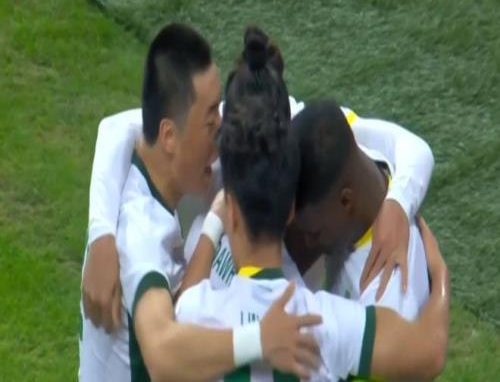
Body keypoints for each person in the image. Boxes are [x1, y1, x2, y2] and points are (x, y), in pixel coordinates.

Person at [82, 27, 434, 331]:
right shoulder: (242, 131)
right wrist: (101, 236)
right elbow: (118, 128)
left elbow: (413, 149)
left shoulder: (309, 133)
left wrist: (399, 202)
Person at [79, 23, 322, 382]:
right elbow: (163, 353)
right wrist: (260, 339)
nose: (222, 132)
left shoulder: (143, 175)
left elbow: (116, 126)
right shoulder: (139, 229)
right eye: (211, 119)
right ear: (169, 137)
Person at [175, 66, 449, 381]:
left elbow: (178, 320)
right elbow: (430, 354)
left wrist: (213, 222)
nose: (303, 242)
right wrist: (441, 276)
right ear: (289, 211)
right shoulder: (326, 322)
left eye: (312, 232)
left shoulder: (197, 307)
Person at [285, 100, 430, 319]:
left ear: (346, 201)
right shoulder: (352, 146)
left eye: (315, 232)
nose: (309, 243)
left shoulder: (386, 295)